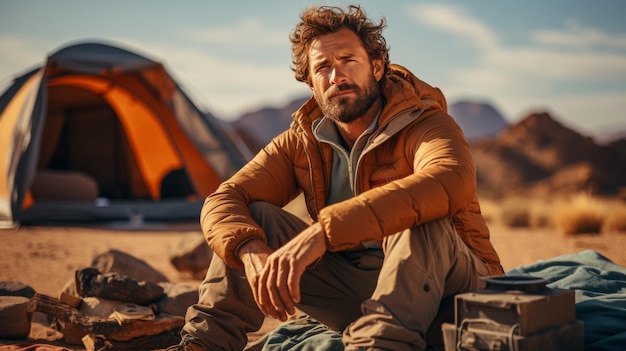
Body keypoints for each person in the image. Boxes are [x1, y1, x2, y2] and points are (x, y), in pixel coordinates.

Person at [167, 4, 503, 351]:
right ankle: (203, 345)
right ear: (310, 82)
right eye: (323, 67)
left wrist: (326, 232)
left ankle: (378, 346)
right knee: (254, 218)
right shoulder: (302, 141)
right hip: (361, 295)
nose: (336, 76)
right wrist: (249, 248)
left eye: (348, 60)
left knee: (419, 218)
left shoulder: (425, 123)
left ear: (376, 67)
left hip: (460, 293)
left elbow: (451, 180)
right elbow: (225, 198)